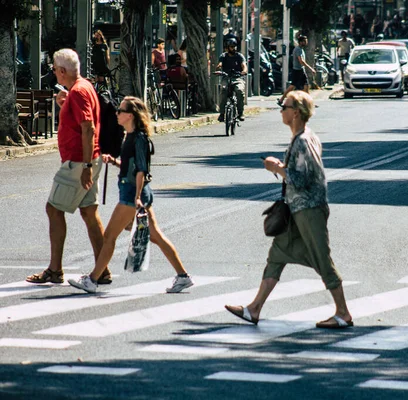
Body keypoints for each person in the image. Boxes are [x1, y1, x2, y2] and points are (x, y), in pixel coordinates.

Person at [225, 91, 353, 329]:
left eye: (285, 106)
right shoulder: (301, 138)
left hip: (309, 209)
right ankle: (254, 309)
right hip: (297, 209)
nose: (281, 110)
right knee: (277, 255)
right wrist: (281, 167)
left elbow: (305, 178)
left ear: (296, 112)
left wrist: (277, 168)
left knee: (322, 260)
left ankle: (343, 313)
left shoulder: (304, 140)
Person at [68, 96, 195, 294]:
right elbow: (132, 167)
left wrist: (136, 197)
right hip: (137, 193)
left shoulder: (139, 139)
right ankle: (183, 276)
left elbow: (141, 171)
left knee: (109, 236)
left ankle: (92, 280)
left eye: (120, 111)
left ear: (130, 115)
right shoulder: (131, 136)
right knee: (156, 236)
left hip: (132, 195)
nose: (117, 114)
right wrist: (116, 162)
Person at [26, 49, 107, 285]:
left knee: (53, 209)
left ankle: (55, 269)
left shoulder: (79, 92)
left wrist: (86, 166)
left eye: (54, 69)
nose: (54, 73)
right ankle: (102, 269)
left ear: (62, 71)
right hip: (86, 159)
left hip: (78, 161)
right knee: (89, 212)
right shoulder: (83, 87)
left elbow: (88, 127)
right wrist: (65, 103)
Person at [277, 35, 316, 105]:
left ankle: (308, 103)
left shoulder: (300, 49)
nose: (306, 43)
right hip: (297, 71)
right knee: (292, 86)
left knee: (306, 86)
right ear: (301, 42)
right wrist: (310, 68)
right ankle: (281, 99)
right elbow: (301, 61)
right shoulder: (298, 50)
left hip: (301, 70)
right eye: (305, 41)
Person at [216, 38, 247, 122]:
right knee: (224, 90)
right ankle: (222, 114)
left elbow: (244, 65)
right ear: (227, 48)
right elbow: (220, 63)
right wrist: (218, 67)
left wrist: (244, 71)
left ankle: (240, 113)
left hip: (237, 77)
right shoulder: (223, 56)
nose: (234, 48)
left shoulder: (239, 56)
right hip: (226, 77)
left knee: (239, 91)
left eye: (234, 46)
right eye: (231, 47)